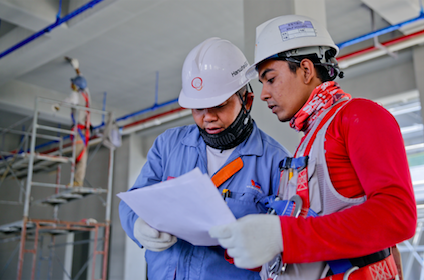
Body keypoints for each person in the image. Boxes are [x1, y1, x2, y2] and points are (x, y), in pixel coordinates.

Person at [209, 15, 417, 280]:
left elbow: (397, 215)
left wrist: (282, 236)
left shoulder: (359, 117)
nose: (263, 94)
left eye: (270, 79)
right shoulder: (309, 142)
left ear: (306, 70)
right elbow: (306, 228)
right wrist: (250, 240)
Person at [119, 37, 291, 280]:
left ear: (247, 101)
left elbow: (288, 240)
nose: (207, 117)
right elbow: (133, 200)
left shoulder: (276, 162)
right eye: (198, 108)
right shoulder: (168, 146)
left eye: (219, 105)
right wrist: (138, 226)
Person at [53, 57, 91, 187]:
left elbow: (68, 100)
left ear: (75, 86)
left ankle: (77, 181)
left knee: (78, 157)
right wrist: (76, 68)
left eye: (73, 83)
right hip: (84, 130)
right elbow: (82, 80)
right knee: (81, 156)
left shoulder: (75, 96)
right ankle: (77, 181)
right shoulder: (86, 93)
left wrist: (57, 105)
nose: (71, 84)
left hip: (79, 131)